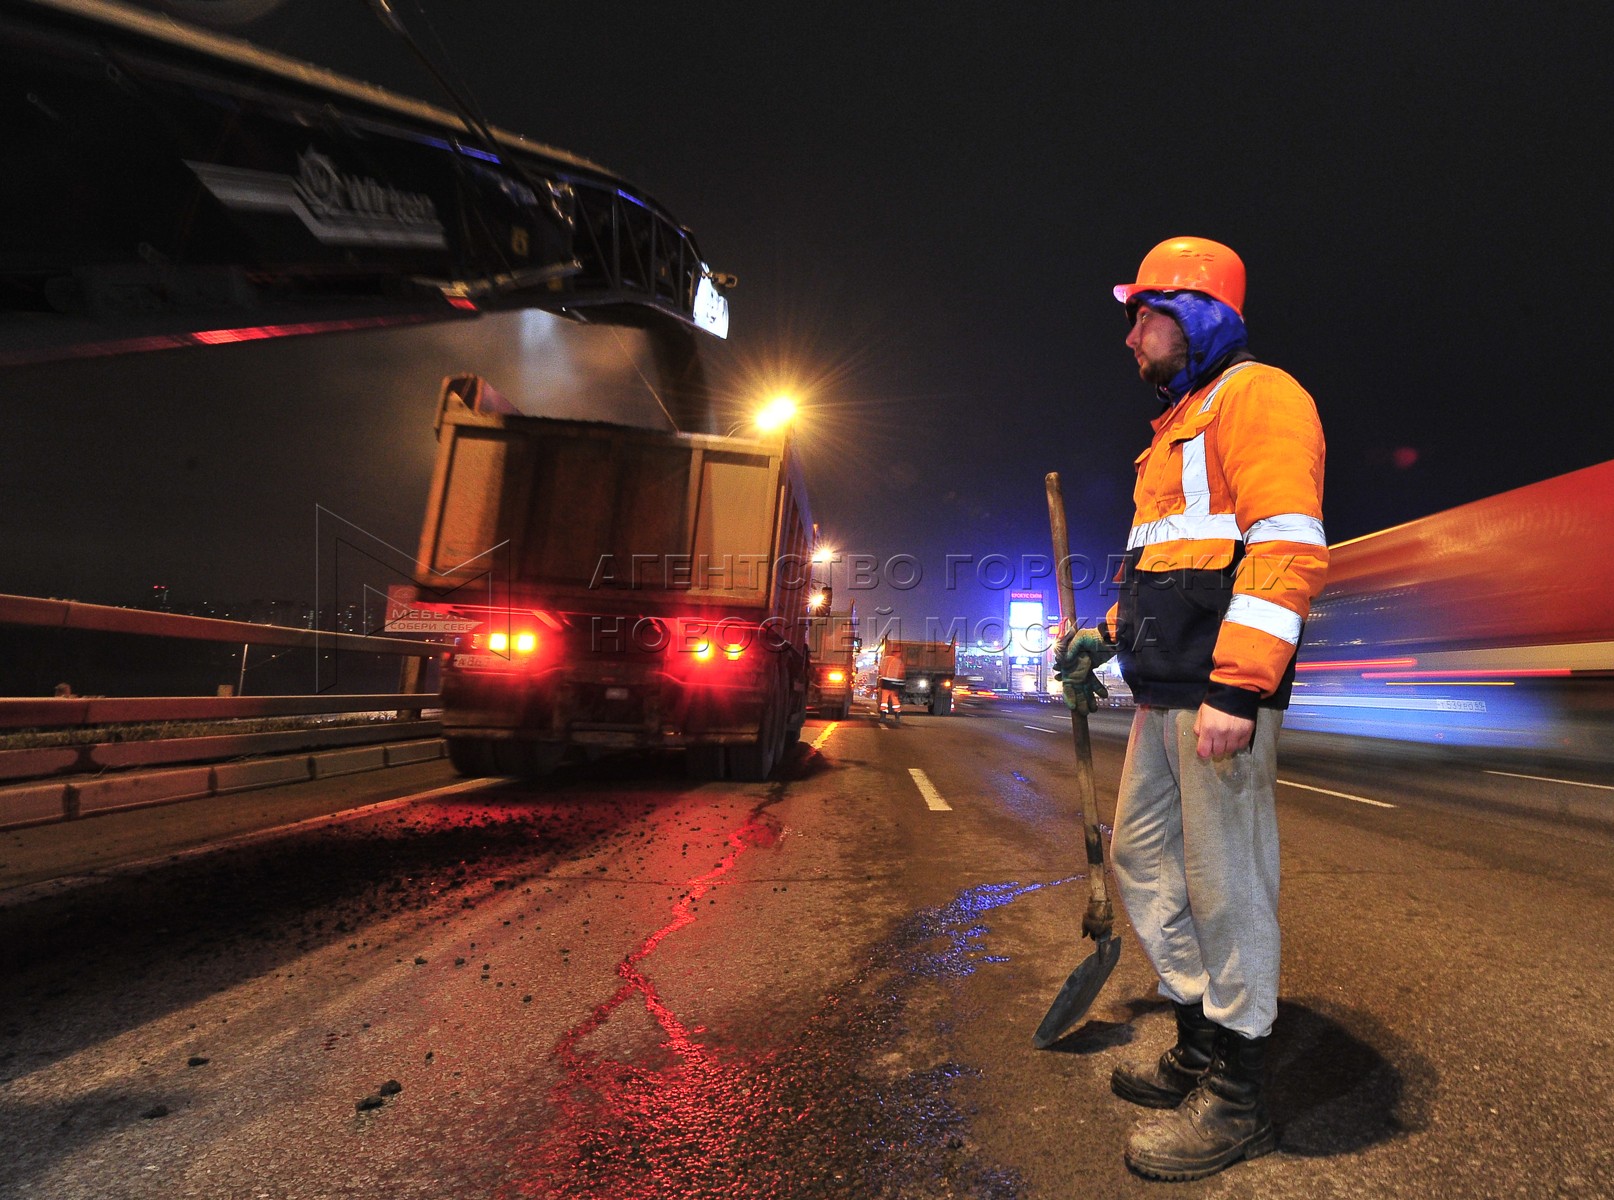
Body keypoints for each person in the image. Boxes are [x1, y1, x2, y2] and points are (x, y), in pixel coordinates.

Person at [1054, 236, 1328, 1181]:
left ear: (1198, 314)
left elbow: (1286, 547)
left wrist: (1239, 685)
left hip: (1217, 698)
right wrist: (1108, 637)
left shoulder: (1260, 398)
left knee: (1227, 883)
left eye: (1145, 315)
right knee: (1138, 856)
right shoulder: (1173, 432)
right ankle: (1200, 1037)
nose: (1131, 337)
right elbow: (1165, 567)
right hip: (1163, 693)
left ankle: (1239, 1094)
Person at [876, 643, 906, 720]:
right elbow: (901, 673)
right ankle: (897, 715)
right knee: (894, 698)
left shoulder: (885, 659)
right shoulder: (899, 662)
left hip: (885, 682)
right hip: (894, 683)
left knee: (884, 699)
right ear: (898, 653)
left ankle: (883, 716)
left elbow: (880, 669)